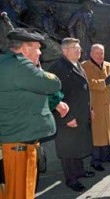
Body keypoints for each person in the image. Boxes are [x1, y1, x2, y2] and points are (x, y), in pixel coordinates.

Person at [0, 28, 61, 199]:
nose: (40, 53)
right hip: (20, 142)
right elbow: (54, 84)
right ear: (26, 48)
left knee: (7, 190)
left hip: (9, 139)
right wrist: (38, 68)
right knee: (21, 193)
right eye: (37, 48)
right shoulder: (21, 66)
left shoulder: (4, 62)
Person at [48, 38, 94, 192]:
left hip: (80, 115)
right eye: (74, 47)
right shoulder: (57, 68)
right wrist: (66, 118)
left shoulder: (77, 64)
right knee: (68, 149)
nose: (79, 50)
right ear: (64, 50)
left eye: (79, 47)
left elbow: (84, 90)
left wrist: (90, 110)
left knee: (78, 146)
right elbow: (54, 96)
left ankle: (79, 171)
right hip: (67, 118)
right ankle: (71, 179)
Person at [82, 44, 110, 171]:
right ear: (91, 53)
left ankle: (107, 157)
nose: (100, 56)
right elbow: (88, 84)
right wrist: (105, 82)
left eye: (102, 53)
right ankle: (95, 161)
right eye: (97, 53)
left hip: (108, 104)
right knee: (97, 134)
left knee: (108, 131)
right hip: (95, 104)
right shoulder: (84, 66)